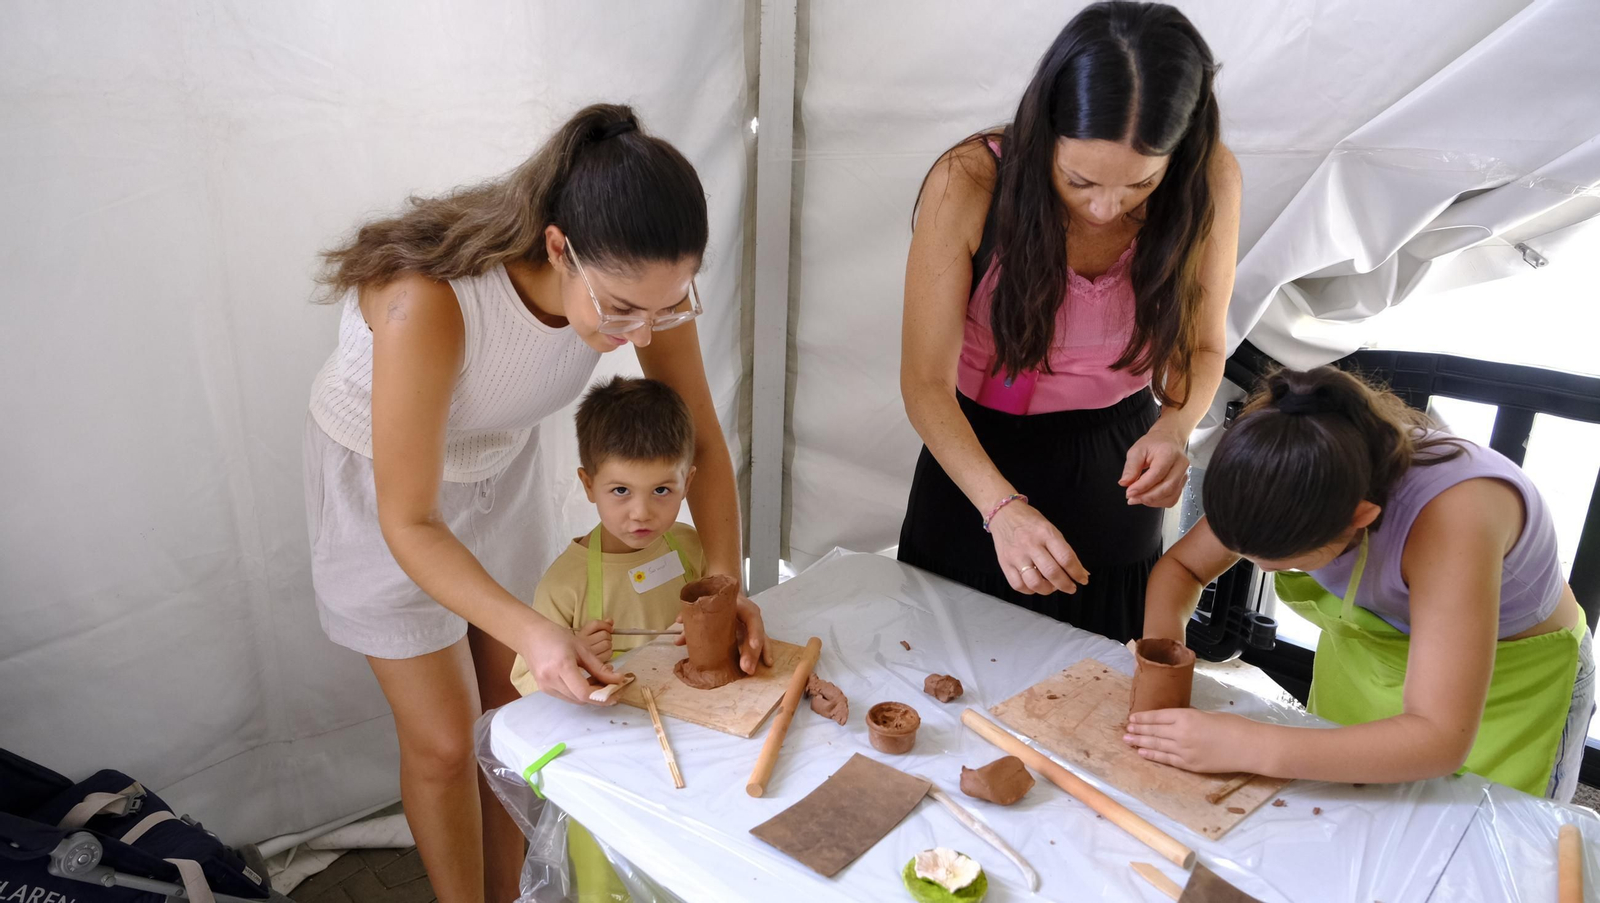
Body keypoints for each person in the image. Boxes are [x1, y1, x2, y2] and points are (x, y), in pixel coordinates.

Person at [303, 104, 768, 903]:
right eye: (622, 309)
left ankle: (513, 892)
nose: (641, 332)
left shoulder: (641, 287)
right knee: (447, 741)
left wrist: (723, 583)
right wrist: (534, 629)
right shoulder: (431, 300)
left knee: (510, 718)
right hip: (382, 490)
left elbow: (704, 445)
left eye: (668, 306)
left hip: (497, 467)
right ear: (559, 246)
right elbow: (409, 519)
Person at [898, 1, 1241, 641]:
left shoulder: (1210, 179)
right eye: (1080, 180)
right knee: (945, 677)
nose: (1107, 209)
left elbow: (1202, 345)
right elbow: (923, 384)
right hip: (974, 456)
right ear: (1044, 129)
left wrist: (1174, 428)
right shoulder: (970, 179)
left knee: (1095, 689)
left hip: (1116, 460)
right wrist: (1000, 508)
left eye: (1140, 186)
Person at [1127, 367, 1594, 801]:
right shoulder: (1285, 463)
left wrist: (1253, 745)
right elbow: (1182, 569)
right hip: (1374, 657)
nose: (1263, 572)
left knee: (1486, 843)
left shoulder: (1456, 518)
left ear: (1361, 518)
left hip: (1513, 680)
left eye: (1281, 561)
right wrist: (1164, 665)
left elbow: (1440, 737)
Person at [508, 376, 707, 695]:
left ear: (688, 483)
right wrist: (575, 660)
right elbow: (526, 682)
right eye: (620, 490)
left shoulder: (692, 546)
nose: (641, 512)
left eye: (661, 490)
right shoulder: (563, 586)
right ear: (588, 485)